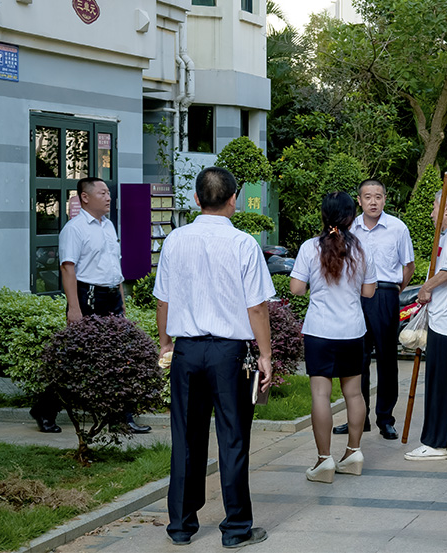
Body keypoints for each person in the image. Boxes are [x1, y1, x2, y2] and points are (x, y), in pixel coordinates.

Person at [154, 167, 273, 548]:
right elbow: (257, 308)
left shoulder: (175, 240)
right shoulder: (243, 243)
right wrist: (267, 355)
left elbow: (163, 299)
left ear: (195, 199)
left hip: (186, 350)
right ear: (234, 199)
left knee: (185, 437)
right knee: (233, 437)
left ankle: (181, 526)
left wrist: (165, 344)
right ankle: (236, 528)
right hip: (227, 354)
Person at [29, 177, 151, 434]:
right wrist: (74, 308)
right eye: (103, 193)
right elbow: (68, 269)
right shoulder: (74, 229)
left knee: (121, 355)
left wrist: (122, 303)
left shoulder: (108, 226)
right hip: (88, 297)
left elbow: (113, 267)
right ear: (85, 197)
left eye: (108, 193)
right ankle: (45, 408)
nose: (109, 197)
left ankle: (121, 418)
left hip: (112, 296)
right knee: (76, 357)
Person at [290, 192, 377, 483]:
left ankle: (323, 460)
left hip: (320, 331)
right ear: (352, 217)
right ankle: (353, 453)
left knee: (321, 395)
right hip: (353, 330)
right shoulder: (362, 249)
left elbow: (296, 289)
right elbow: (368, 292)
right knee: (354, 393)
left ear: (323, 215)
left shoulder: (309, 248)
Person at [333, 179, 415, 440]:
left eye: (378, 196)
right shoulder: (349, 228)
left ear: (385, 198)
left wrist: (394, 291)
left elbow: (408, 266)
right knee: (357, 358)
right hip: (355, 296)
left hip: (385, 294)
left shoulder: (397, 228)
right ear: (359, 200)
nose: (373, 202)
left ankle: (385, 418)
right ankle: (359, 417)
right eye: (367, 197)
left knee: (387, 357)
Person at [404, 187, 447, 461]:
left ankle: (436, 443)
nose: (432, 214)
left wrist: (426, 287)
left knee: (440, 383)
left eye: (435, 208)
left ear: (446, 209)